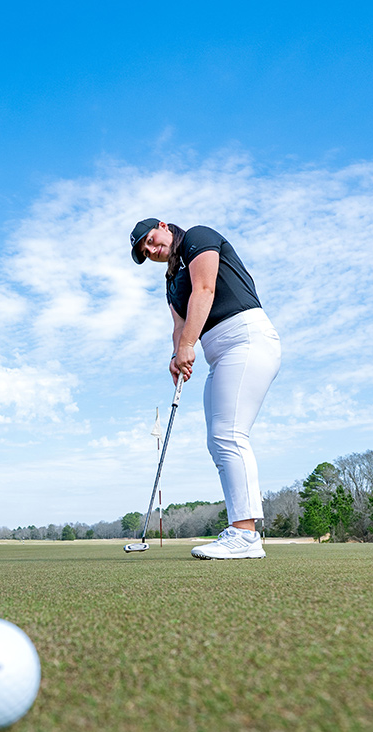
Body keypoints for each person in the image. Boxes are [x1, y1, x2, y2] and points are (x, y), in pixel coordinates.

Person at [130, 218, 280, 560]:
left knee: (229, 434)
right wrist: (176, 353)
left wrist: (187, 346)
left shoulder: (198, 237)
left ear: (164, 227)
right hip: (219, 354)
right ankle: (241, 530)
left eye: (151, 240)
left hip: (247, 339)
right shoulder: (171, 282)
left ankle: (245, 535)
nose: (152, 250)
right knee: (218, 440)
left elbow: (205, 290)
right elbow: (179, 325)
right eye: (146, 251)